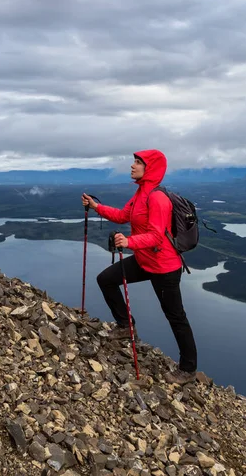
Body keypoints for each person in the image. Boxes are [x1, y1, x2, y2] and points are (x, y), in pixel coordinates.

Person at [81, 149, 197, 385]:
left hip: (164, 267)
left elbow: (156, 236)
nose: (132, 166)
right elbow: (124, 216)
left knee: (175, 317)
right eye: (134, 161)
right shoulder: (141, 193)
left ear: (150, 168)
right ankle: (126, 326)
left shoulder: (157, 198)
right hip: (145, 261)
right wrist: (96, 206)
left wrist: (129, 242)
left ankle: (188, 369)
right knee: (106, 279)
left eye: (138, 163)